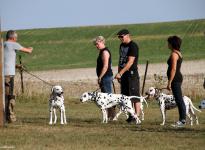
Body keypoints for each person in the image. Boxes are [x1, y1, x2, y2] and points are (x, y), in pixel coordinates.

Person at [4, 30, 33, 123]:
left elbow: (6, 60)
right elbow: (28, 51)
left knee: (3, 96)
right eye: (16, 38)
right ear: (12, 37)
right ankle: (10, 117)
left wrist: (16, 66)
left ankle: (4, 117)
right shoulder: (13, 44)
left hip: (2, 74)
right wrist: (30, 48)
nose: (17, 39)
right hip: (9, 75)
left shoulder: (3, 45)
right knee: (10, 96)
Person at [114, 29, 141, 123]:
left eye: (121, 36)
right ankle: (131, 115)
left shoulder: (133, 46)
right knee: (126, 96)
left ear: (128, 35)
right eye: (119, 37)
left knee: (134, 95)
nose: (120, 38)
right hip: (123, 73)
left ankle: (136, 116)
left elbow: (130, 62)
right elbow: (120, 59)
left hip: (131, 73)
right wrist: (119, 73)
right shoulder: (121, 45)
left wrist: (120, 73)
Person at [93, 36, 115, 120]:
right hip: (104, 77)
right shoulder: (102, 51)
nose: (96, 46)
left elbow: (106, 66)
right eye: (95, 44)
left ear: (102, 42)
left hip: (106, 77)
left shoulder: (105, 52)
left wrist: (100, 77)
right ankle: (108, 116)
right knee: (105, 97)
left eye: (97, 44)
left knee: (108, 97)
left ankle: (112, 116)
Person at [166, 35, 186, 127]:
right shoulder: (177, 52)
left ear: (172, 44)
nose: (167, 44)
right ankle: (182, 120)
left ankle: (182, 121)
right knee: (179, 100)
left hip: (175, 79)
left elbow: (173, 69)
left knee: (179, 100)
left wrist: (169, 82)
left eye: (168, 43)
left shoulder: (174, 54)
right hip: (177, 78)